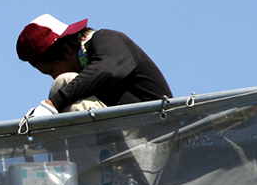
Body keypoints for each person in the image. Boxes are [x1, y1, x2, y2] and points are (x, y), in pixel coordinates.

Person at [16, 14, 172, 116]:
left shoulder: (108, 40)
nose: (53, 76)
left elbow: (106, 70)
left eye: (50, 70)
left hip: (156, 136)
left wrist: (52, 103)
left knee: (64, 82)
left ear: (66, 50)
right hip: (126, 140)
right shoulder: (88, 74)